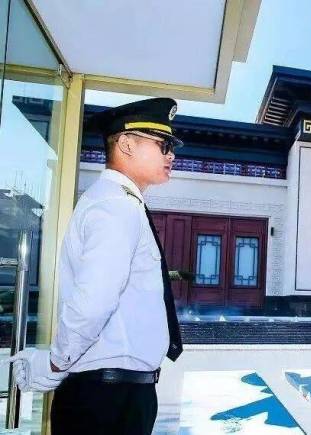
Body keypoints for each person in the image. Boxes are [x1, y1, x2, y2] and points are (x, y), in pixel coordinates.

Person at [7, 98, 184, 435]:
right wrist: (55, 363)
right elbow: (95, 300)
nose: (171, 155)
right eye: (164, 145)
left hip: (116, 393)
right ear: (127, 144)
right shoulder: (116, 207)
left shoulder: (120, 203)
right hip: (107, 400)